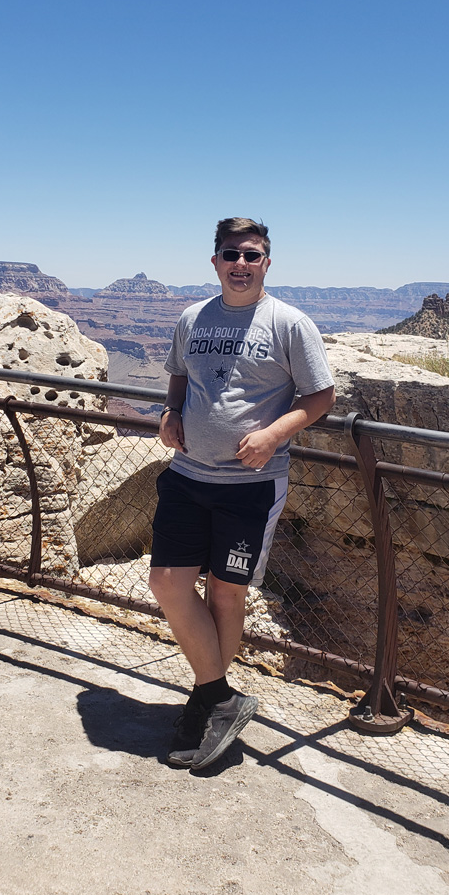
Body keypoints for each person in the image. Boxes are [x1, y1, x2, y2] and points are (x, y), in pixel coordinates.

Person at [149, 217, 335, 770]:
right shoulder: (193, 317)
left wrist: (276, 433)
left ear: (267, 263)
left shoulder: (289, 323)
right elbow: (179, 373)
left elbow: (321, 395)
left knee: (227, 595)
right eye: (231, 254)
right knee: (167, 583)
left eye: (252, 255)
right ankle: (220, 697)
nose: (241, 264)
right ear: (215, 261)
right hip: (188, 475)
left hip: (250, 488)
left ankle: (206, 701)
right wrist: (170, 411)